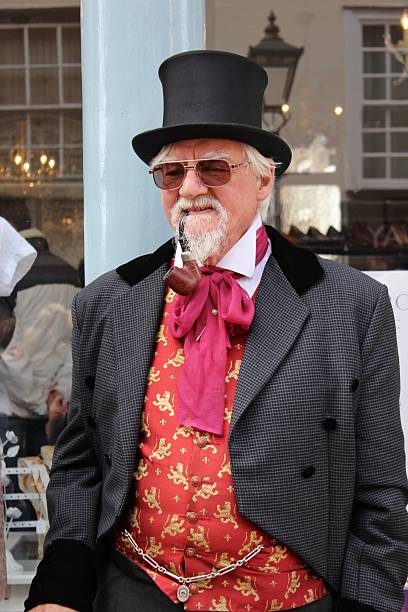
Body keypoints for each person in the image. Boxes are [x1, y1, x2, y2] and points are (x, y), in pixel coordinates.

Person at [26, 51, 408, 612]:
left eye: (214, 167)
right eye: (172, 172)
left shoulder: (352, 307)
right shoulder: (107, 303)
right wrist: (59, 588)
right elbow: (81, 468)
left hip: (287, 601)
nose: (189, 188)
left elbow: (380, 492)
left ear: (263, 179)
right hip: (133, 592)